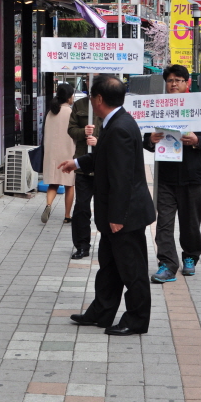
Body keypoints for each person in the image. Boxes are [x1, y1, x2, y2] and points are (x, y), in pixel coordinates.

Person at [58, 74, 156, 336]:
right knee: (109, 266)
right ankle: (102, 311)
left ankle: (136, 320)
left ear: (99, 99)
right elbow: (104, 158)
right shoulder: (115, 123)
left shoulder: (121, 127)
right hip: (117, 214)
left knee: (132, 270)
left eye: (91, 96)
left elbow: (122, 177)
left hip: (124, 216)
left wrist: (117, 216)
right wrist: (76, 163)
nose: (90, 101)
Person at [144, 64, 201, 282]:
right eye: (170, 80)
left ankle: (190, 257)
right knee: (164, 224)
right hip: (166, 177)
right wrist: (150, 139)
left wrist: (197, 141)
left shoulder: (200, 107)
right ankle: (167, 264)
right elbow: (145, 139)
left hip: (192, 177)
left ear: (187, 83)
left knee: (190, 223)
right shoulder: (158, 107)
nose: (173, 83)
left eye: (178, 80)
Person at [68, 89, 103, 258]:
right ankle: (82, 245)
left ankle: (108, 245)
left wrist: (99, 140)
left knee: (105, 208)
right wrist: (84, 132)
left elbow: (117, 133)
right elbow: (71, 129)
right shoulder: (80, 104)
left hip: (104, 166)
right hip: (83, 165)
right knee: (82, 207)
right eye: (90, 79)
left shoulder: (109, 104)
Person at [41, 83, 76, 224]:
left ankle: (48, 205)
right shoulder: (70, 113)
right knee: (69, 185)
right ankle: (67, 216)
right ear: (68, 97)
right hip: (67, 153)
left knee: (53, 184)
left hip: (51, 154)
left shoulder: (51, 111)